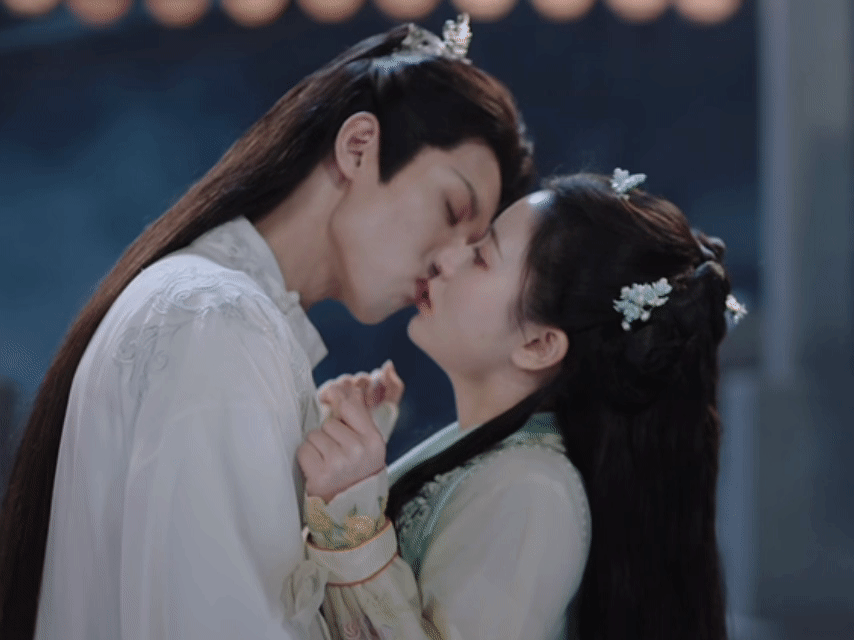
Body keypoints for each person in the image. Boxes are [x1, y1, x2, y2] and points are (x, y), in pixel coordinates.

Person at [0, 16, 535, 640]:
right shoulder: (220, 322)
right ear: (358, 146)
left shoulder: (224, 314)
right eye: (451, 209)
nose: (449, 262)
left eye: (474, 246)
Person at [290, 170, 747, 640]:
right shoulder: (497, 455)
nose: (444, 258)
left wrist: (352, 513)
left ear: (539, 344)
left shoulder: (533, 490)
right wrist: (351, 452)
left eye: (481, 256)